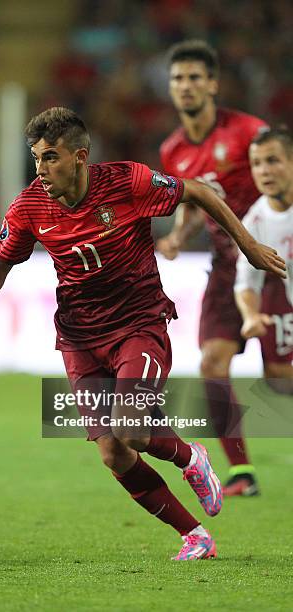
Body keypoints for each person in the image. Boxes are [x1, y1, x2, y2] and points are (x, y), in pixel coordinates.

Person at [0, 107, 285, 560]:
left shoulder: (128, 182)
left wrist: (249, 246)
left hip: (137, 324)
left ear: (80, 156)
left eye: (51, 158)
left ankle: (191, 458)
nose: (41, 170)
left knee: (132, 430)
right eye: (36, 159)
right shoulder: (29, 206)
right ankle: (195, 536)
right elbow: (1, 263)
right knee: (113, 452)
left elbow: (198, 192)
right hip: (79, 338)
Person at [157, 40, 268, 496]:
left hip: (274, 259)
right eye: (179, 78)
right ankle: (242, 471)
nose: (186, 86)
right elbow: (189, 204)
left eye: (195, 78)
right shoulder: (173, 151)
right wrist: (179, 237)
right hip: (225, 267)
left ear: (213, 84)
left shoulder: (247, 132)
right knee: (211, 363)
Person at [235, 127, 293, 400]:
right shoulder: (254, 222)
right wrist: (250, 316)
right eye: (257, 163)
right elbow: (247, 281)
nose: (264, 171)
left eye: (273, 160)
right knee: (278, 381)